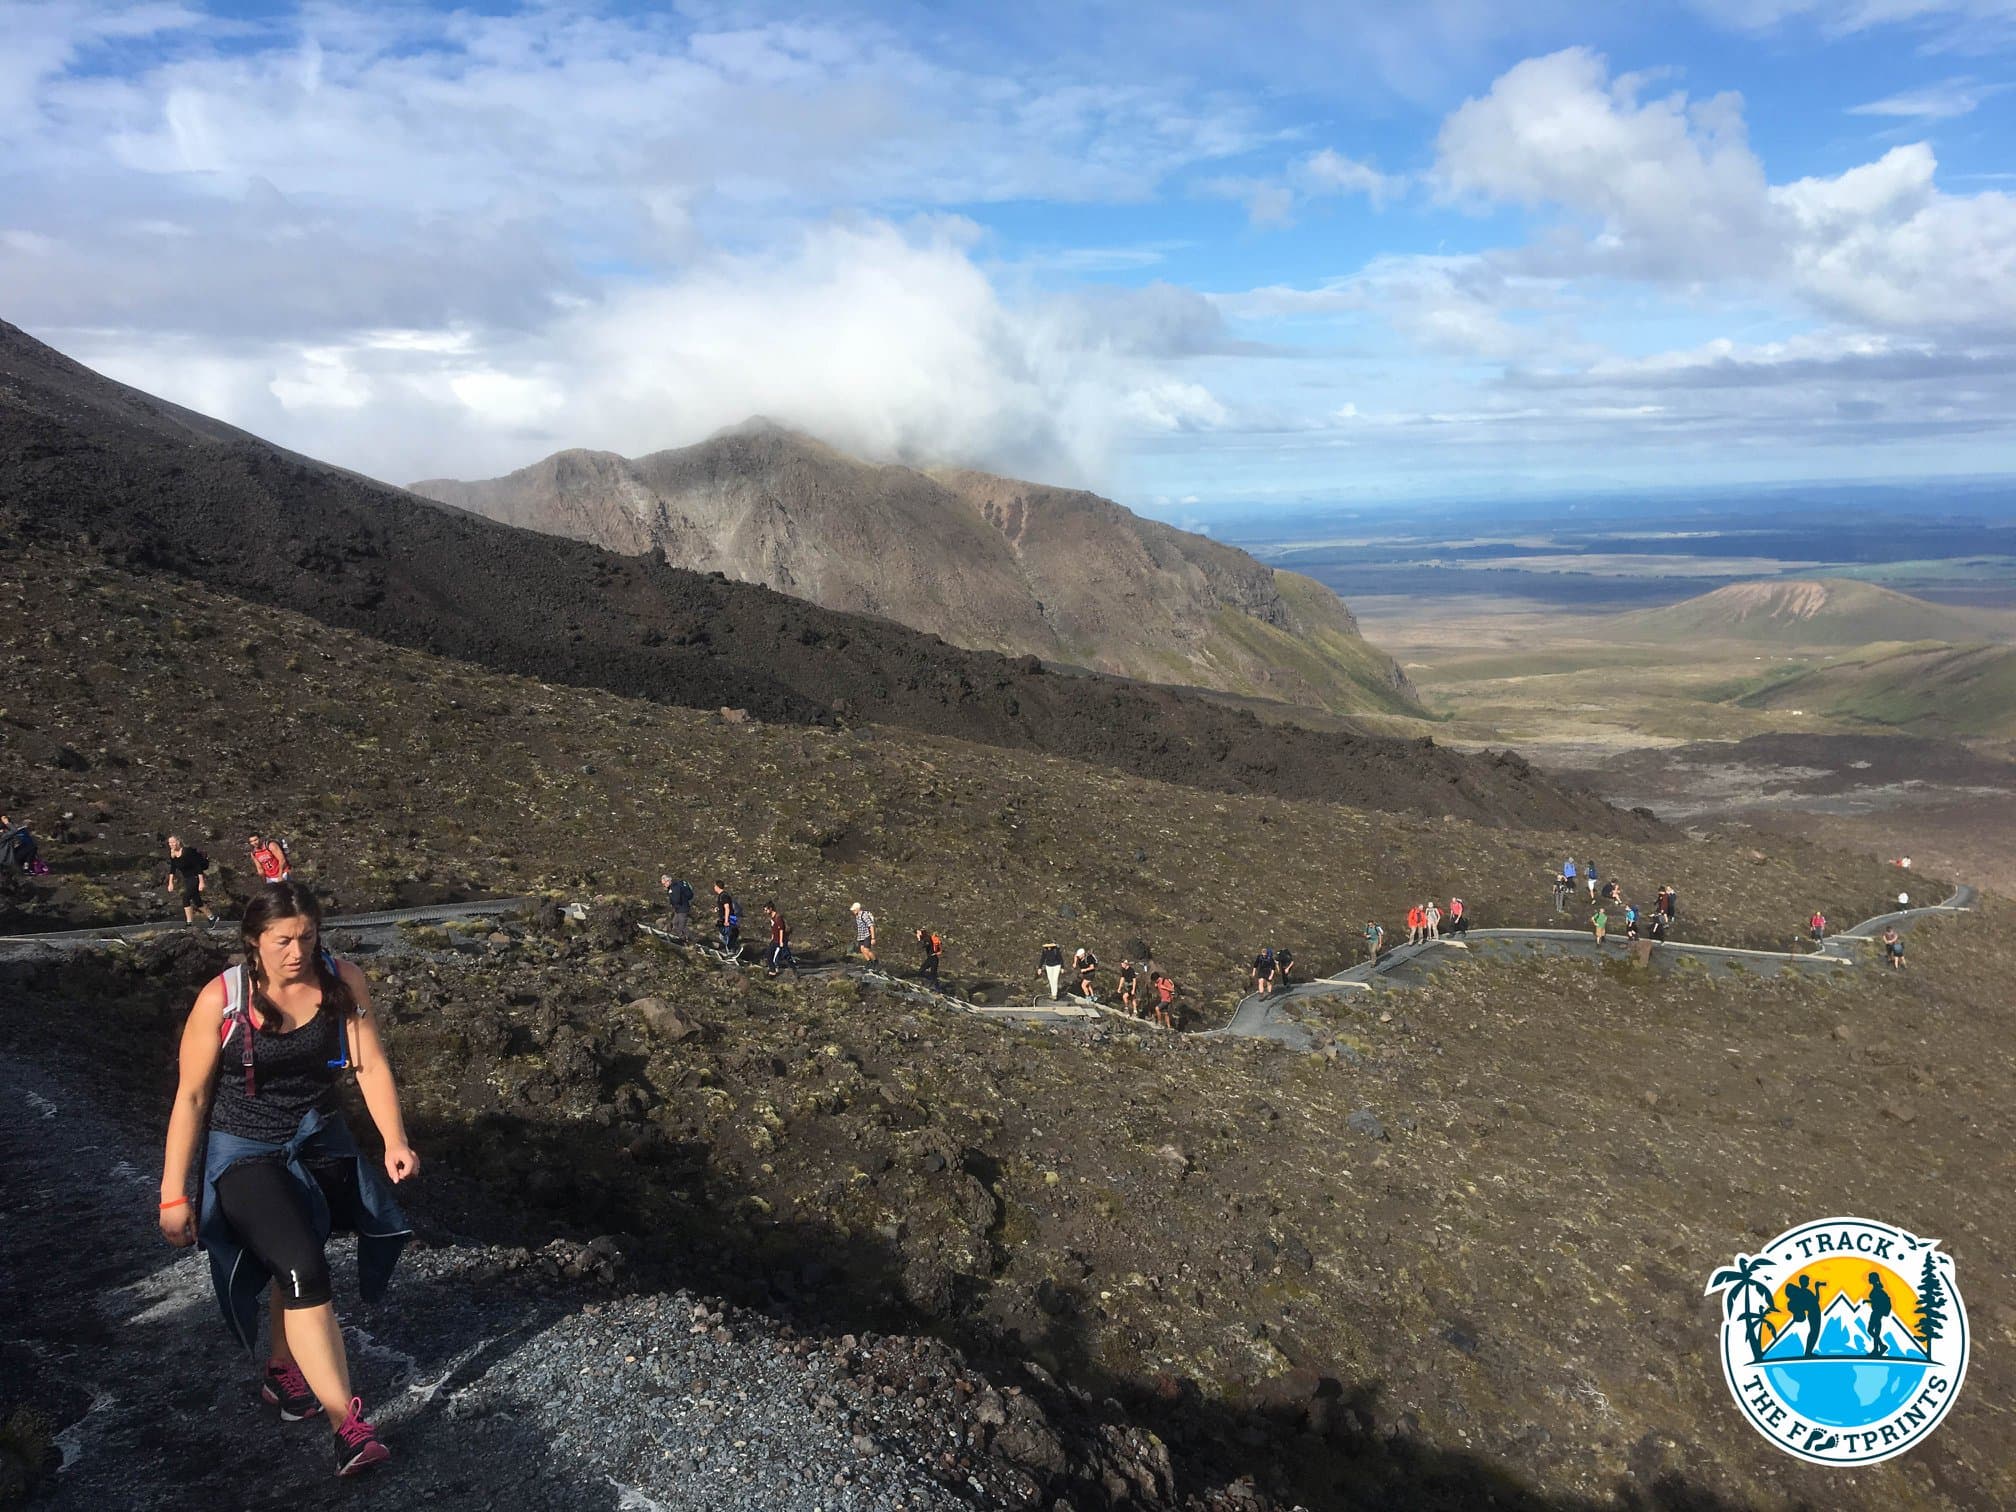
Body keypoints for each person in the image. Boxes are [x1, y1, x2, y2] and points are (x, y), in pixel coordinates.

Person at [157, 882, 417, 1478]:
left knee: (299, 1246)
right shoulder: (220, 1000)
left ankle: (283, 1370)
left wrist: (394, 1140)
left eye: (306, 937)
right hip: (245, 1151)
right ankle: (347, 1428)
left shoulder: (341, 981)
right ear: (253, 941)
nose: (296, 951)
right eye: (282, 941)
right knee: (303, 1263)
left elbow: (369, 1062)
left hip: (320, 1139)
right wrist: (174, 1193)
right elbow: (192, 1097)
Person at [165, 835, 216, 925]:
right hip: (187, 879)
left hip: (195, 877)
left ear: (178, 841)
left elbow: (197, 866)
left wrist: (201, 882)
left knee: (186, 898)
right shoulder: (172, 854)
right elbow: (172, 869)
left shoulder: (187, 852)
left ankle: (189, 923)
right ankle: (212, 918)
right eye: (170, 842)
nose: (172, 844)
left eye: (173, 842)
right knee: (197, 901)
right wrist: (170, 883)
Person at [760, 903, 803, 979]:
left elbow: (781, 930)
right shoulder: (772, 918)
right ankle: (772, 971)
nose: (765, 911)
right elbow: (774, 929)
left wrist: (780, 941)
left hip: (780, 940)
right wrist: (772, 938)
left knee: (786, 956)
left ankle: (795, 970)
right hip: (774, 940)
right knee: (768, 954)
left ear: (770, 909)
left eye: (766, 910)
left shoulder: (778, 918)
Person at [1866, 1272, 1895, 1357]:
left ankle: (1877, 1349)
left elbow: (1878, 1301)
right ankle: (1881, 1346)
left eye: (1870, 1278)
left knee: (1872, 1331)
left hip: (1877, 1313)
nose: (1868, 1279)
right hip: (1876, 1312)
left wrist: (1871, 1301)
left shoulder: (1877, 1289)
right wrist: (1868, 1301)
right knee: (1872, 1331)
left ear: (1873, 1279)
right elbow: (1876, 1300)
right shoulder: (1877, 1288)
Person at [659, 875, 694, 942]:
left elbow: (676, 899)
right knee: (675, 923)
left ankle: (691, 939)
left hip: (682, 909)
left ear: (668, 881)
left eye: (664, 883)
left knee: (681, 926)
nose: (664, 885)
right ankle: (684, 937)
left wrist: (671, 896)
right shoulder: (673, 887)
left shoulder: (674, 888)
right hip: (679, 909)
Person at [712, 881, 740, 957]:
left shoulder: (723, 896)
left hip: (728, 918)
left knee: (727, 935)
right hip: (724, 917)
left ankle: (732, 950)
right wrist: (718, 908)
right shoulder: (721, 896)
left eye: (714, 886)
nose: (714, 888)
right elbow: (724, 906)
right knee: (722, 936)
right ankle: (732, 948)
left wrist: (726, 920)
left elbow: (727, 908)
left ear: (717, 887)